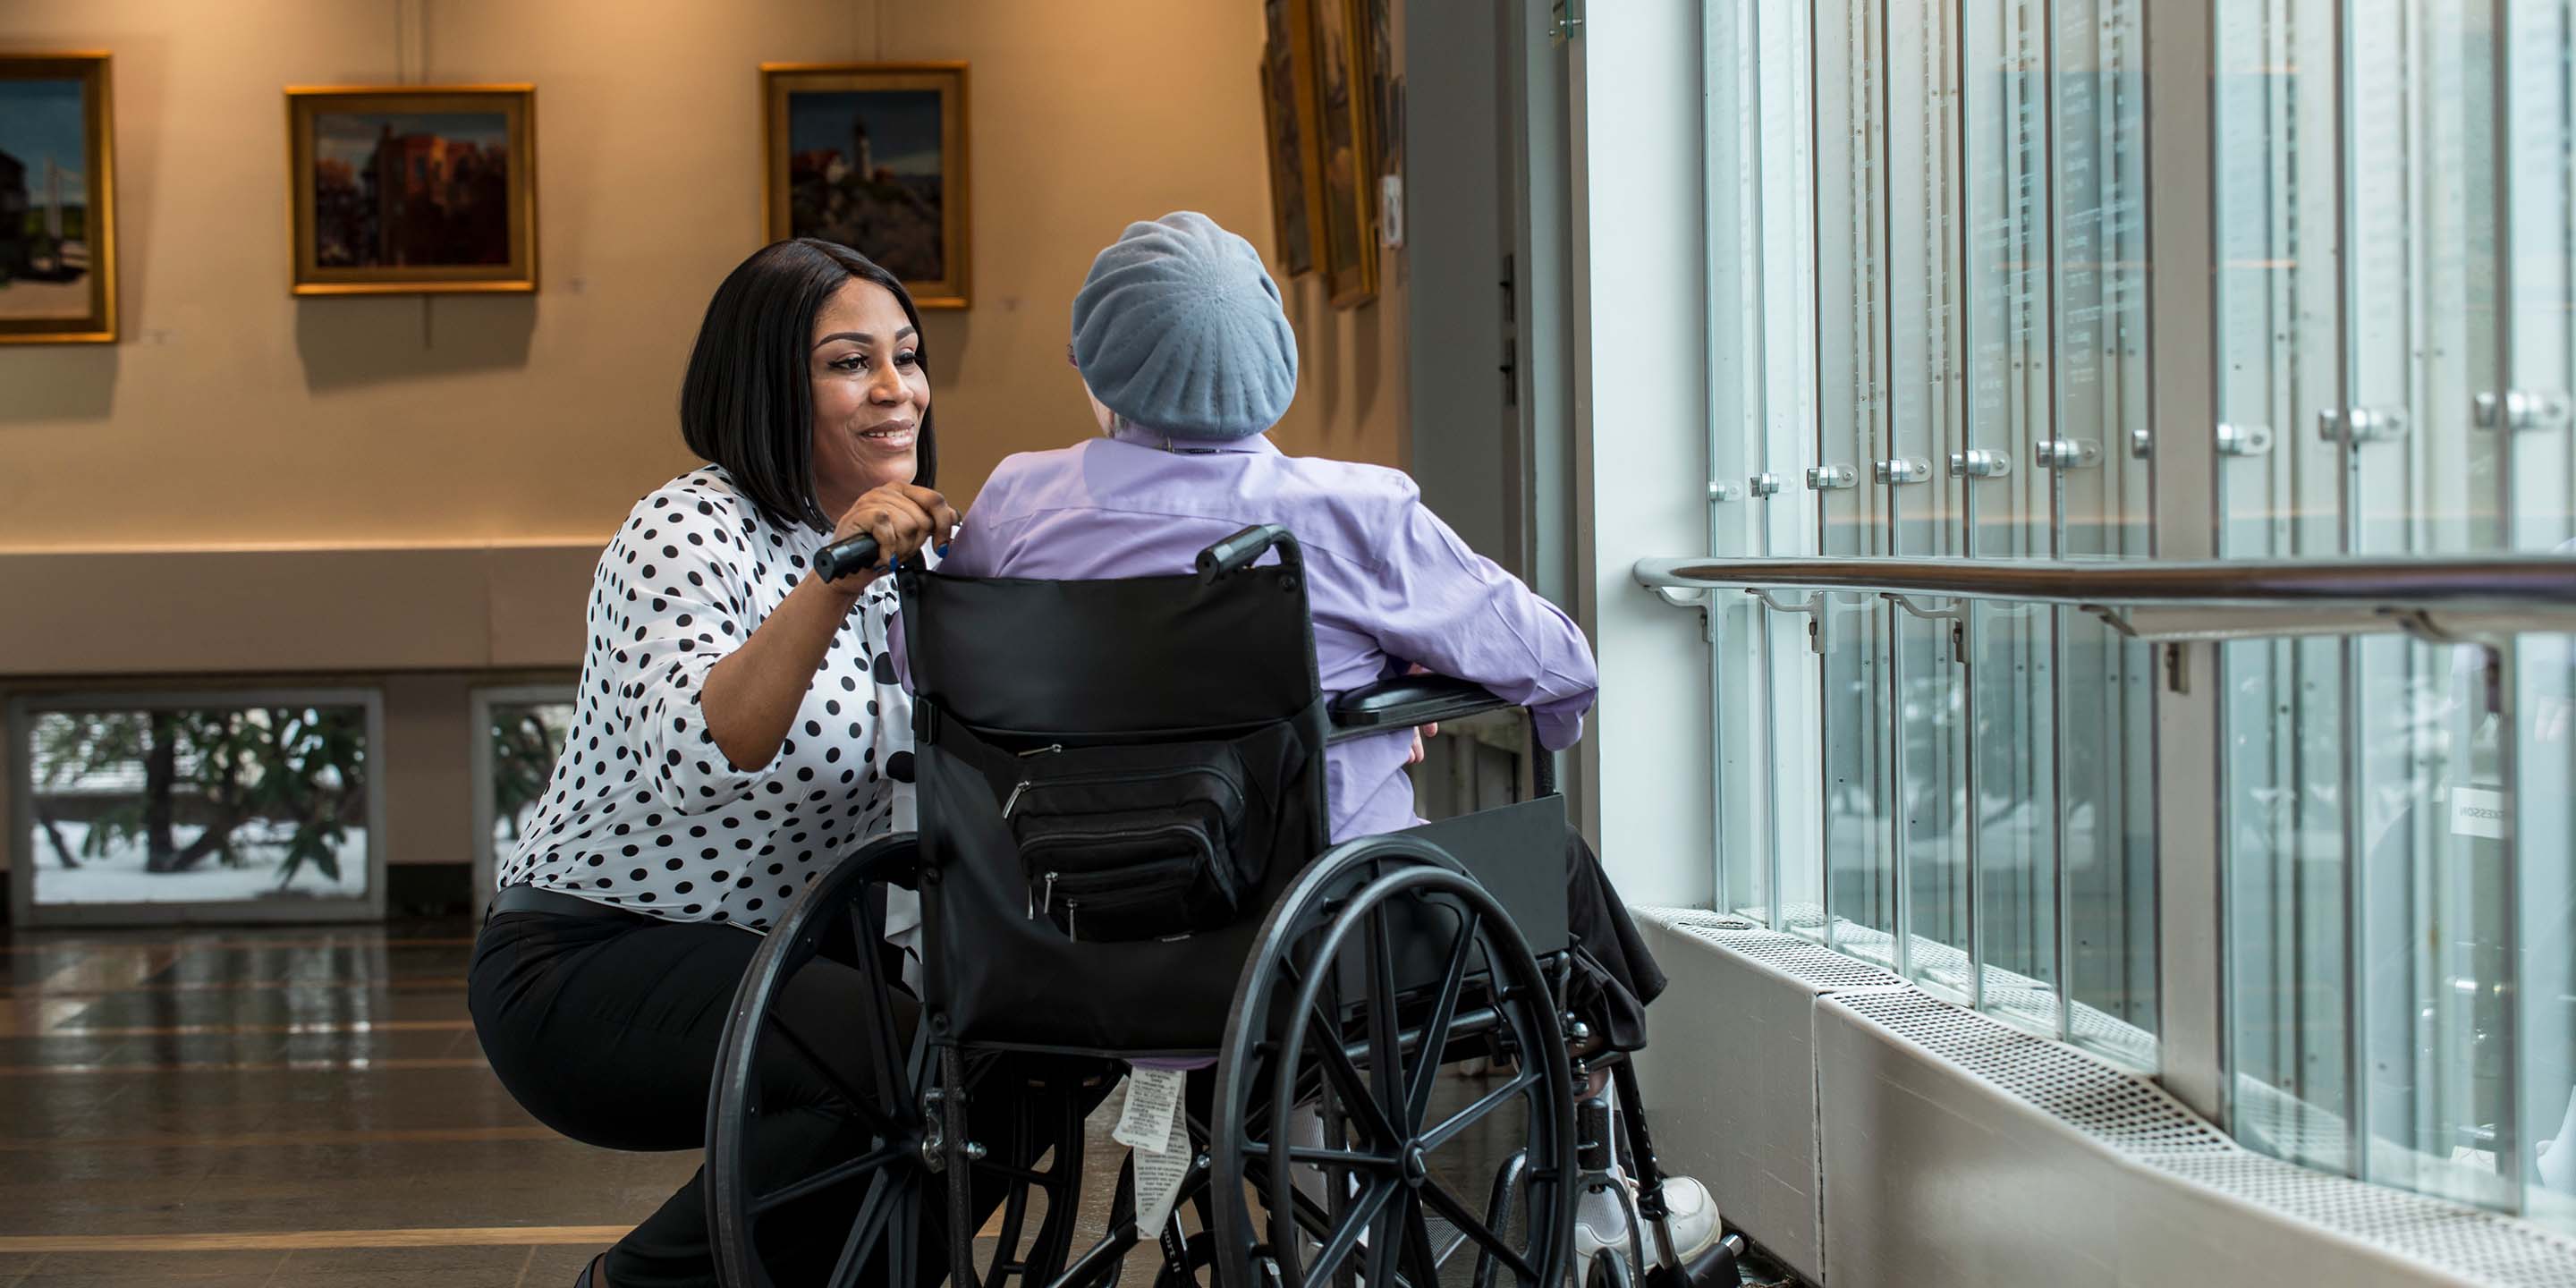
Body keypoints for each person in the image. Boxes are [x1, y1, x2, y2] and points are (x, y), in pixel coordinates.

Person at [936, 212, 1708, 1271]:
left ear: (1085, 359)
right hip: (1316, 948)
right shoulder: (1347, 513)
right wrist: (1387, 699)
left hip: (1073, 937)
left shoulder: (1020, 501)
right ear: (1280, 364)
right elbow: (1558, 667)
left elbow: (928, 669)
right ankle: (1598, 1188)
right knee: (1553, 869)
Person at [467, 239, 976, 1288]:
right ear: (768, 384)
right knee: (893, 1061)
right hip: (589, 964)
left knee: (990, 1076)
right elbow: (712, 753)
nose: (897, 391)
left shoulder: (918, 558)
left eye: (908, 356)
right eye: (849, 363)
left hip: (791, 961)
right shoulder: (688, 529)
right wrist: (836, 575)